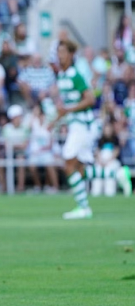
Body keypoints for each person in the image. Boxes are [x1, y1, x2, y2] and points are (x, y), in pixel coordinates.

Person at [51, 40, 97, 220]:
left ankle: (83, 207)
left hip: (83, 125)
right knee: (80, 168)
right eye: (58, 52)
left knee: (68, 164)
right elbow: (67, 106)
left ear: (71, 55)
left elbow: (90, 99)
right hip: (75, 124)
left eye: (63, 52)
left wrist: (68, 110)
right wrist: (55, 121)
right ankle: (116, 173)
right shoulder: (62, 76)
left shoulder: (75, 75)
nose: (60, 56)